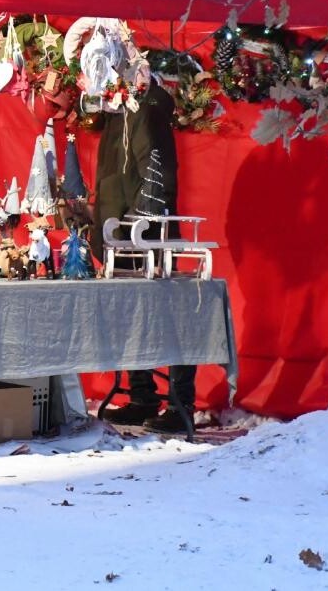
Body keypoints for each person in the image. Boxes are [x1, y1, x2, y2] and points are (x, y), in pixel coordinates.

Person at [92, 77, 197, 433]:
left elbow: (156, 175)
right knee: (131, 318)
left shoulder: (145, 111)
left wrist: (138, 226)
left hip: (143, 237)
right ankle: (143, 397)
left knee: (167, 320)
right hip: (123, 230)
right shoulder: (120, 112)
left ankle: (180, 404)